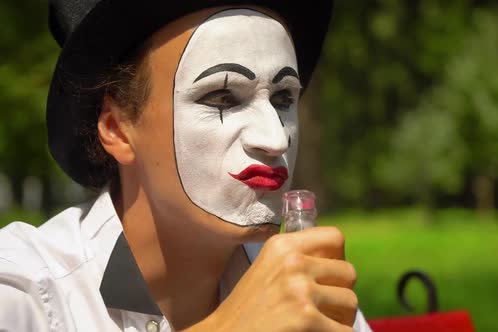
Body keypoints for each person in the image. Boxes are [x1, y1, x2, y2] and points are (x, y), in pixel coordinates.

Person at [0, 1, 373, 331]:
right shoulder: (23, 294)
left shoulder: (300, 286)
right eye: (222, 97)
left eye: (283, 98)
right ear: (117, 129)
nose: (275, 139)